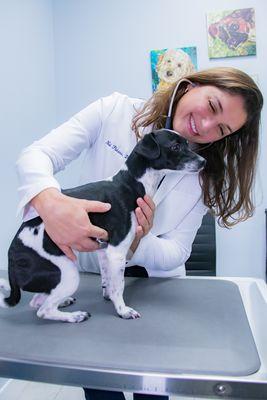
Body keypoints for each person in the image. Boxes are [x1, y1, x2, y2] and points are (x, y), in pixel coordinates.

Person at [15, 67, 263, 400]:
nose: (204, 127)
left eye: (221, 129)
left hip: (155, 293)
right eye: (212, 106)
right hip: (91, 282)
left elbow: (177, 252)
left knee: (153, 391)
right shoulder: (113, 111)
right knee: (102, 390)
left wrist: (135, 242)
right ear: (189, 86)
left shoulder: (201, 173)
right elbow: (36, 155)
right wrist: (50, 202)